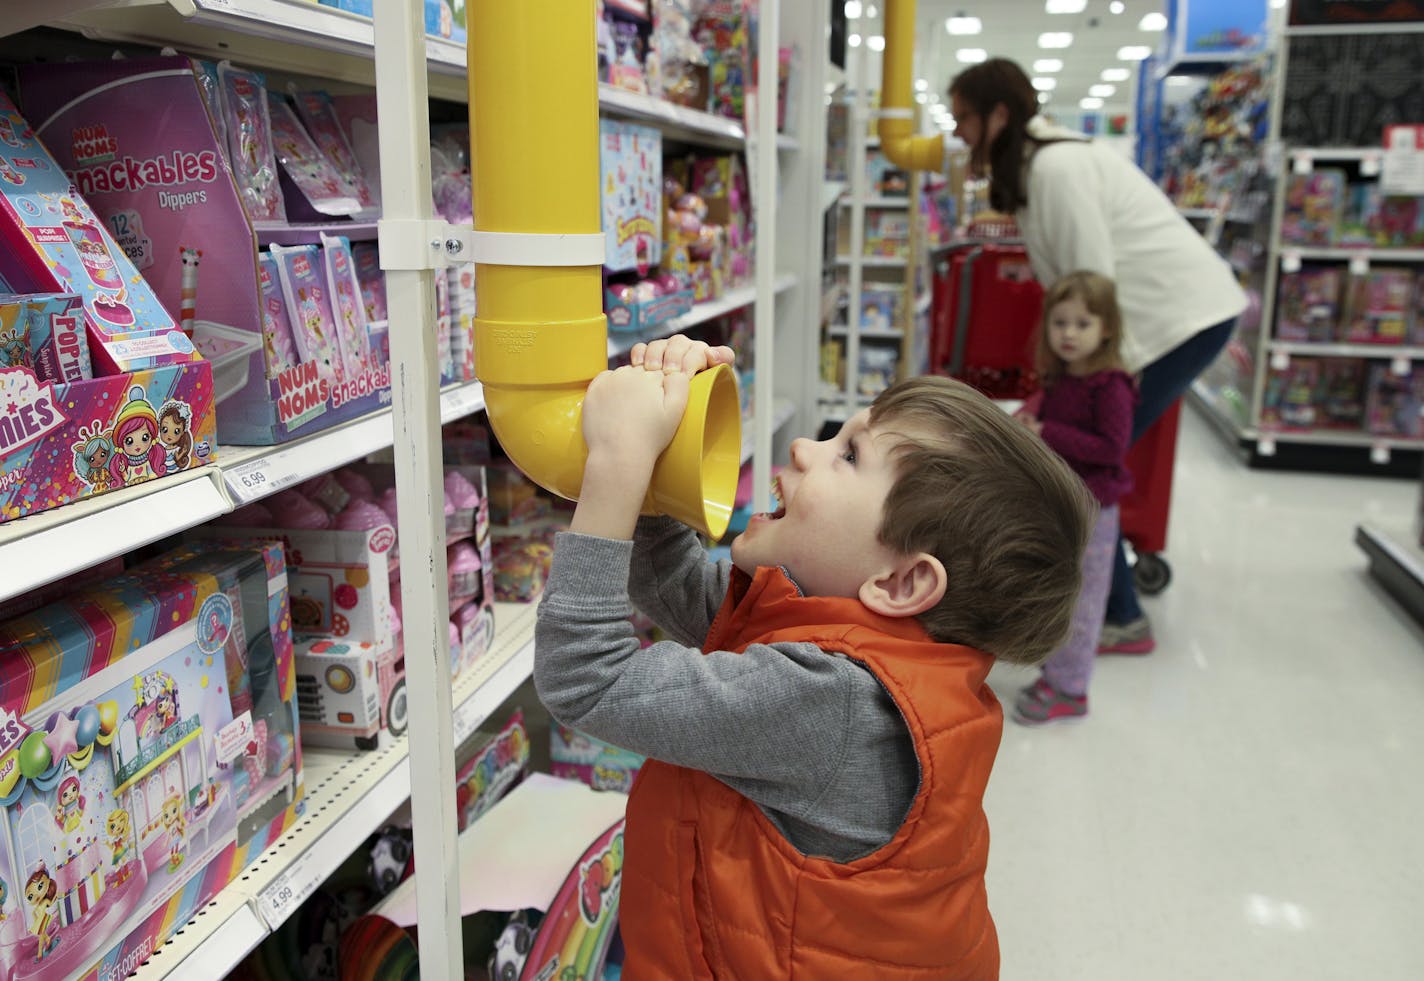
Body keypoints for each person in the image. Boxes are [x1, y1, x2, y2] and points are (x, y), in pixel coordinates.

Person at [535, 334, 1095, 978]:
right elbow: (673, 582)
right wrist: (661, 438)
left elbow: (587, 678)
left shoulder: (838, 702)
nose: (805, 447)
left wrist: (617, 462)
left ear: (902, 582)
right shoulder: (843, 626)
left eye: (849, 455)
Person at [949, 58, 1247, 654]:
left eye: (963, 119)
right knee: (1069, 463)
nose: (958, 133)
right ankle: (1106, 604)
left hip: (1177, 321)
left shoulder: (1057, 168)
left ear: (999, 114)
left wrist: (1063, 403)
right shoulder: (1037, 169)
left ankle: (1118, 615)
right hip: (1142, 325)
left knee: (1082, 471)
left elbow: (1091, 289)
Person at [1013, 271, 1135, 724]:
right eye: (1060, 322)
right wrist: (1029, 416)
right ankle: (1056, 669)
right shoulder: (1063, 377)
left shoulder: (1112, 386)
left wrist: (1048, 433)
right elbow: (1041, 406)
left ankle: (1071, 688)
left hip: (1095, 508)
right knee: (1062, 592)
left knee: (1083, 601)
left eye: (1082, 323)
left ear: (1106, 328)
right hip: (1063, 501)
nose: (1068, 333)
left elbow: (1111, 448)